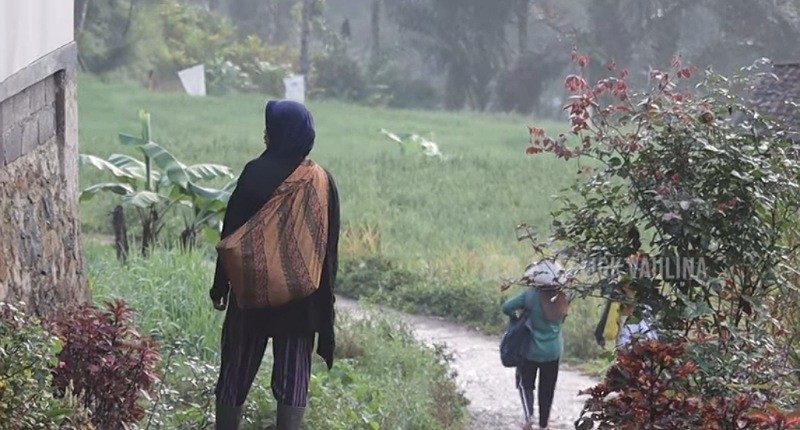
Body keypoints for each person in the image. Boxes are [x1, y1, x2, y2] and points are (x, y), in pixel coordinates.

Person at [210, 100, 340, 430]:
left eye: (269, 127)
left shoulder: (255, 173)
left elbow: (231, 237)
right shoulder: (321, 181)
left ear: (276, 133)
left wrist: (220, 287)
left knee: (235, 371)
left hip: (249, 296)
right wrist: (325, 301)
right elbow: (328, 249)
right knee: (294, 377)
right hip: (301, 301)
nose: (265, 132)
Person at [502, 261, 570, 430]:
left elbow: (507, 307)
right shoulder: (563, 298)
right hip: (553, 352)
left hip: (530, 350)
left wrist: (515, 318)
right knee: (547, 389)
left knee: (526, 384)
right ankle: (544, 424)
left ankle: (528, 418)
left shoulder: (530, 295)